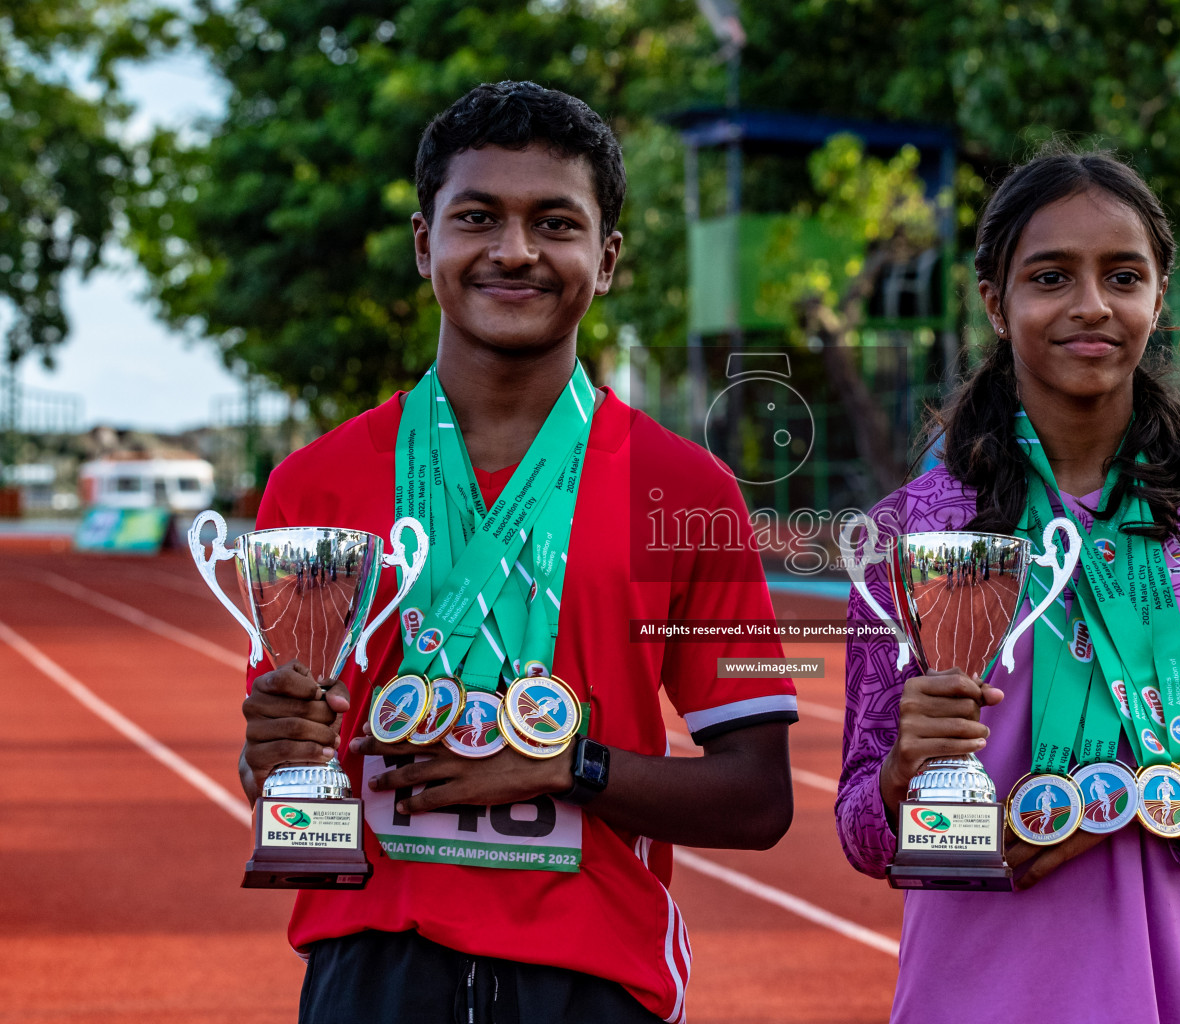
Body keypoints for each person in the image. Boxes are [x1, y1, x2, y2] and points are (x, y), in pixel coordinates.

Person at [238, 81, 797, 1024]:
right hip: (371, 972)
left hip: (593, 980)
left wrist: (567, 766)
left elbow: (758, 797)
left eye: (554, 222)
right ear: (426, 245)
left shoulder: (688, 493)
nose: (514, 250)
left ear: (606, 258)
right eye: (478, 217)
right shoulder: (314, 486)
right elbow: (280, 770)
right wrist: (269, 752)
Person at [836, 148, 1180, 1023]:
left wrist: (1140, 803)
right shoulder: (909, 529)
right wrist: (898, 778)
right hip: (971, 992)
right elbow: (861, 830)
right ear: (998, 304)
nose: (1090, 306)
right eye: (1050, 277)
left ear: (1159, 299)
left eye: (1122, 275)